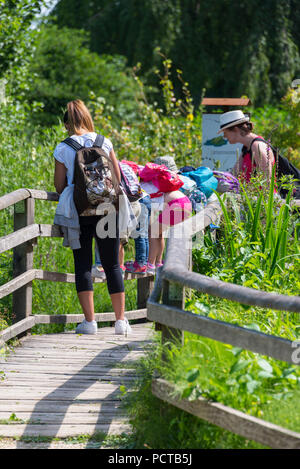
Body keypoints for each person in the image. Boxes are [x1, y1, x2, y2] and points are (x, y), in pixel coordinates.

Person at [53, 99, 131, 335]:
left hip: (80, 211)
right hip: (108, 208)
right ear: (87, 117)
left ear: (66, 123)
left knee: (83, 263)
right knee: (112, 264)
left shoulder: (63, 147)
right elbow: (116, 175)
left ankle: (90, 322)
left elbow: (58, 186)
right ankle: (120, 322)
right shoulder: (103, 141)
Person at [217, 110, 275, 183]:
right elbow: (233, 174)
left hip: (261, 194)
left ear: (235, 129)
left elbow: (267, 179)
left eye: (225, 132)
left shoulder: (257, 146)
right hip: (251, 194)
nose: (224, 136)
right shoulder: (246, 147)